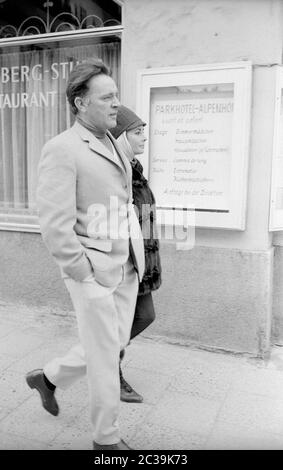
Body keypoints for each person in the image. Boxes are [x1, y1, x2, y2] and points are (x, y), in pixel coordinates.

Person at [25, 59, 145, 451]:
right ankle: (106, 442)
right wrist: (82, 271)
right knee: (107, 357)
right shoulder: (61, 149)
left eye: (116, 96)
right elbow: (54, 223)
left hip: (125, 264)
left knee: (111, 344)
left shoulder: (112, 139)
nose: (116, 104)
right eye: (107, 97)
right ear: (80, 103)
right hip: (92, 269)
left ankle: (48, 378)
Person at [110, 106, 162, 402]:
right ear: (121, 138)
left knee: (141, 317)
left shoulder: (134, 169)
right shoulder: (119, 174)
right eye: (137, 132)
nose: (145, 138)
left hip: (141, 262)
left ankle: (52, 378)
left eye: (144, 131)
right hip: (125, 264)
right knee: (137, 317)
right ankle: (108, 369)